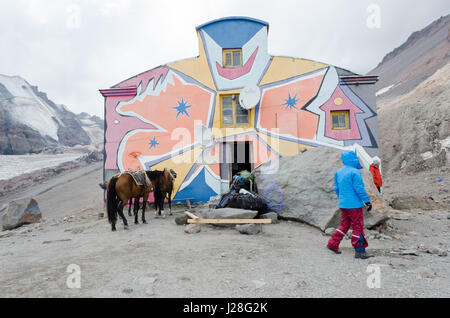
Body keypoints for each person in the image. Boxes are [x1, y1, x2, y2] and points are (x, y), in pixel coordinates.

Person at [327, 151, 374, 259]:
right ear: (353, 159)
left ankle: (332, 244)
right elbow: (359, 188)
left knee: (344, 224)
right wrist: (367, 201)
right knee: (358, 226)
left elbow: (336, 188)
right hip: (354, 205)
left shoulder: (338, 172)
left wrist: (342, 199)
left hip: (343, 204)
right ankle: (360, 250)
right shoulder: (355, 172)